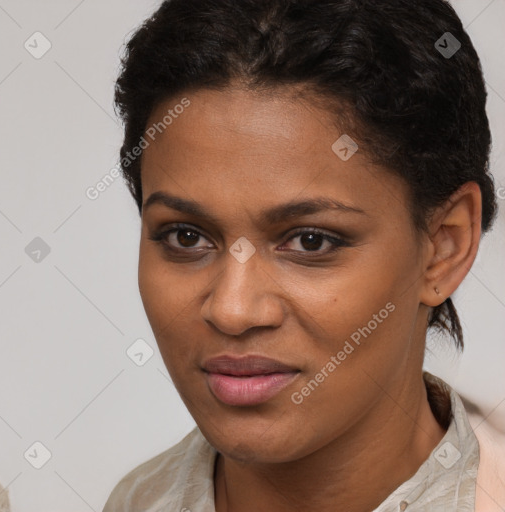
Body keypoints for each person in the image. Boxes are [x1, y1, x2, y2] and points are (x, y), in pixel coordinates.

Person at [101, 0, 504, 510]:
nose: (232, 309)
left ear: (444, 246)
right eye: (186, 237)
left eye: (311, 241)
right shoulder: (137, 501)